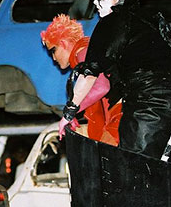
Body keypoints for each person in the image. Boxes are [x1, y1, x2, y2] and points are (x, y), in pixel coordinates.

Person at [60, 0, 171, 169]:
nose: (95, 3)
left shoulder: (113, 22)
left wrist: (68, 113)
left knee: (139, 170)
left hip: (149, 106)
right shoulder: (152, 17)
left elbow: (90, 73)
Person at [40, 14, 121, 146]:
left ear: (63, 43)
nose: (54, 58)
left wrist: (71, 112)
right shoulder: (85, 50)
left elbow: (102, 86)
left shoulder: (82, 51)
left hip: (120, 116)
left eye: (53, 51)